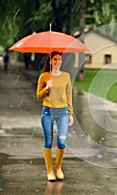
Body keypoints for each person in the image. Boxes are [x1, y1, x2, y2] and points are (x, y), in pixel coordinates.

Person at [36, 51, 74, 181]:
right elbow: (38, 95)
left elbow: (69, 96)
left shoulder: (66, 76)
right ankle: (50, 171)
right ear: (50, 61)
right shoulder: (44, 76)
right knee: (48, 141)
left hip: (62, 112)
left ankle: (58, 168)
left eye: (59, 59)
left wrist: (70, 113)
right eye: (55, 59)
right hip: (48, 112)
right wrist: (47, 88)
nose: (58, 62)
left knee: (61, 142)